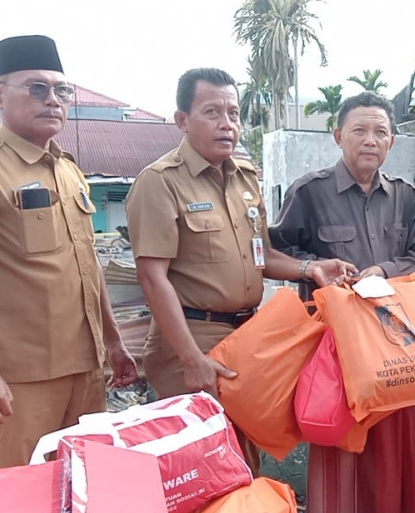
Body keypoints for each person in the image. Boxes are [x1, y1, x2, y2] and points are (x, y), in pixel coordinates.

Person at [125, 68, 352, 475]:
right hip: (192, 337)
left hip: (246, 337)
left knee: (243, 456)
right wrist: (190, 357)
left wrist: (311, 268)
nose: (226, 123)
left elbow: (259, 254)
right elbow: (152, 278)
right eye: (212, 112)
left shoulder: (244, 177)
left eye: (233, 112)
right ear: (182, 120)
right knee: (199, 462)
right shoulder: (160, 182)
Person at [0, 35, 138, 471]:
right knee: (14, 503)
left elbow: (87, 264)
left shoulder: (68, 170)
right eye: (36, 88)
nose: (53, 101)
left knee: (82, 492)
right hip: (17, 379)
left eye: (62, 91)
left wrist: (114, 342)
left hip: (84, 369)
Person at [269, 92, 415, 513]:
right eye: (359, 130)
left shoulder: (405, 196)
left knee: (397, 442)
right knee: (342, 440)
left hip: (396, 341)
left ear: (392, 140)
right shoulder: (310, 192)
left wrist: (384, 271)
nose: (370, 140)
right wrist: (315, 267)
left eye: (381, 131)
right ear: (338, 135)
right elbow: (275, 255)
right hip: (334, 345)